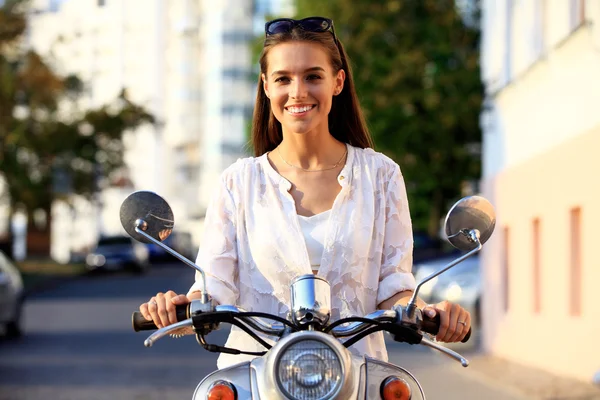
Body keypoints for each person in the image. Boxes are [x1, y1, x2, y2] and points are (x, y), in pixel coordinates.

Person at [139, 16, 472, 370]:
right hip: (257, 375)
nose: (297, 92)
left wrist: (427, 313)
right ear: (266, 86)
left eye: (313, 76)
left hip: (356, 374)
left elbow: (395, 285)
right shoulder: (238, 182)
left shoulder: (381, 176)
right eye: (283, 78)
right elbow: (213, 285)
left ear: (337, 82)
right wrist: (180, 307)